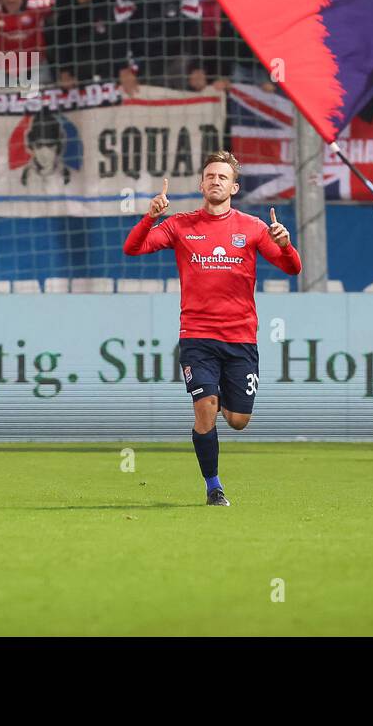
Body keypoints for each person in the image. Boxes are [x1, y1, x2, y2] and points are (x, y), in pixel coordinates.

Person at [122, 153, 301, 506]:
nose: (215, 181)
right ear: (201, 185)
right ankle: (213, 487)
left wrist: (285, 244)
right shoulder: (180, 225)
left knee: (237, 421)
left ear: (234, 187)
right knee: (205, 407)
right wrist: (150, 217)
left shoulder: (252, 228)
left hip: (240, 338)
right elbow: (133, 248)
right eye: (209, 176)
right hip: (197, 336)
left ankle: (218, 397)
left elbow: (293, 268)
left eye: (222, 176)